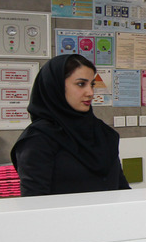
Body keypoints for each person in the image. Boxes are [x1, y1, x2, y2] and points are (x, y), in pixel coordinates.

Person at [11, 54, 131, 196]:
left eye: (92, 84)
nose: (90, 93)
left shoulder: (103, 133)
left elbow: (121, 188)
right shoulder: (38, 139)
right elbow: (35, 200)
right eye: (81, 84)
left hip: (110, 210)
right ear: (56, 87)